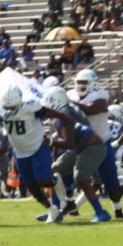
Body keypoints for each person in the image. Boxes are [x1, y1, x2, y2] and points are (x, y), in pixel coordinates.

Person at [0, 85, 76, 223]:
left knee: (43, 181)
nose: (8, 110)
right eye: (6, 107)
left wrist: (71, 121)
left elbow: (53, 113)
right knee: (32, 187)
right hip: (20, 153)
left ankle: (56, 181)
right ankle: (52, 210)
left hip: (37, 147)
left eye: (11, 107)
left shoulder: (30, 107)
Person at [44, 87, 110, 223]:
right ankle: (55, 211)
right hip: (80, 149)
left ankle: (101, 212)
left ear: (55, 101)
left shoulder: (64, 112)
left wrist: (50, 142)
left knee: (81, 176)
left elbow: (68, 142)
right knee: (53, 171)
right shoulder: (67, 110)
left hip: (92, 148)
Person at [68, 69, 123, 219]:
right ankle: (68, 206)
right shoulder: (71, 95)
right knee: (73, 175)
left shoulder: (100, 95)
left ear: (92, 83)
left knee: (110, 178)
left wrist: (68, 103)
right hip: (81, 145)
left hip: (102, 143)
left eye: (84, 82)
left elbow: (91, 109)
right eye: (79, 82)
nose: (81, 85)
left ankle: (118, 209)